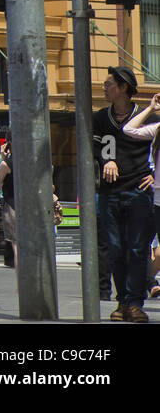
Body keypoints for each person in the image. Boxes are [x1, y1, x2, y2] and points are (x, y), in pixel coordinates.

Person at [93, 65, 156, 323]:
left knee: (138, 249)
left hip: (139, 191)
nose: (104, 88)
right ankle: (122, 302)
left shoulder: (147, 117)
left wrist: (155, 175)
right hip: (110, 193)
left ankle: (134, 303)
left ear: (123, 88)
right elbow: (94, 147)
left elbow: (157, 148)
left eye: (109, 84)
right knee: (116, 249)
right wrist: (106, 161)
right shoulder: (99, 118)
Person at [121, 92, 160, 301]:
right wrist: (151, 109)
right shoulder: (158, 129)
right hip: (157, 200)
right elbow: (128, 129)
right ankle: (149, 283)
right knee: (144, 244)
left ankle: (150, 282)